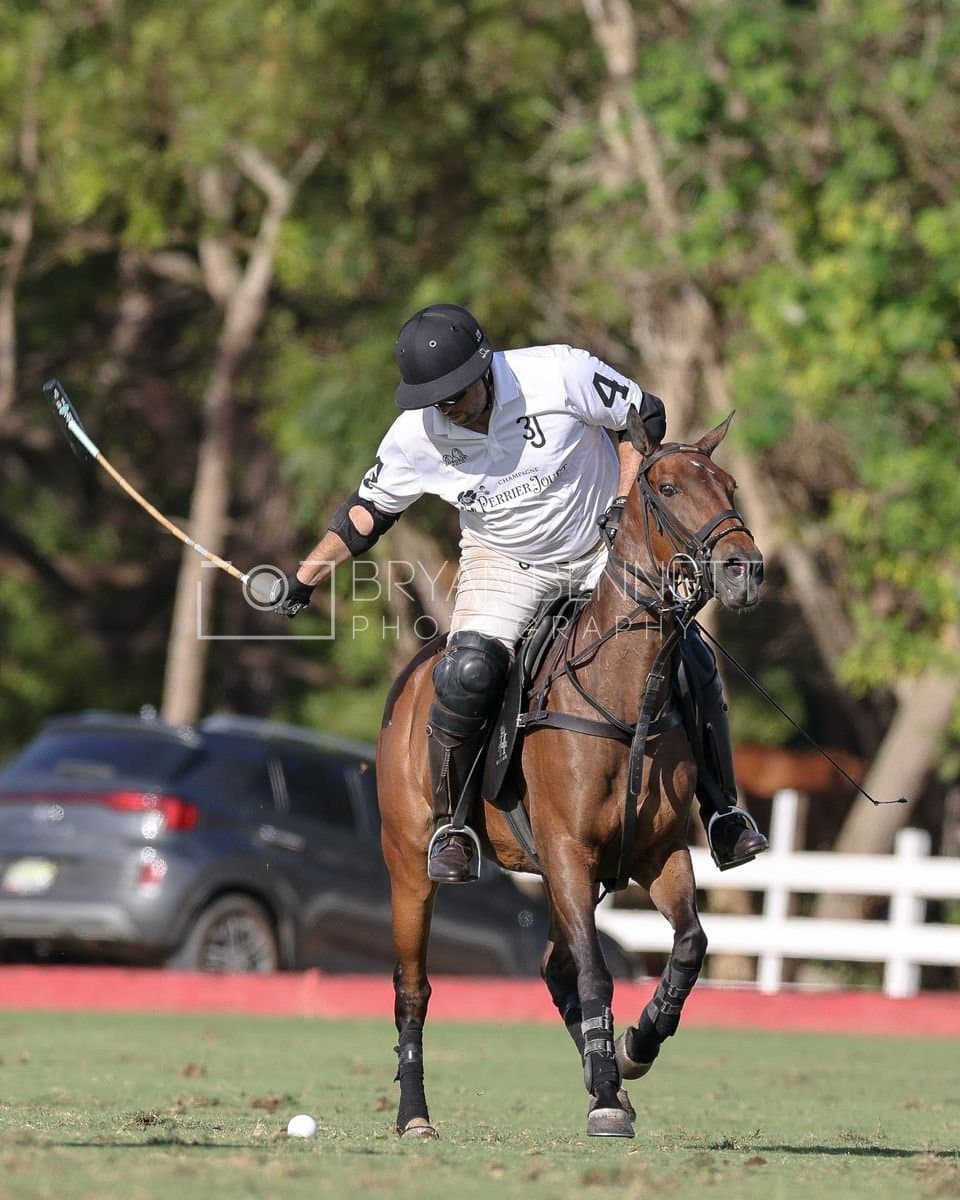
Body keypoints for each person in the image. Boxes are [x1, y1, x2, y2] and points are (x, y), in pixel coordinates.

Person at [274, 303, 767, 882]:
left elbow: (643, 416)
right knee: (464, 674)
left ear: (486, 369)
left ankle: (722, 812)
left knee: (694, 659)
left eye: (455, 393)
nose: (447, 409)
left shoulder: (558, 374)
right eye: (433, 400)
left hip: (598, 549)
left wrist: (619, 502)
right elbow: (366, 512)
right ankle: (453, 824)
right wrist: (303, 579)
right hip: (503, 562)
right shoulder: (416, 436)